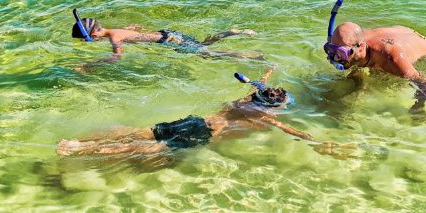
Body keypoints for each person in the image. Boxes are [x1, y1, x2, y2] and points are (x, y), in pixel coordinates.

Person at [57, 67, 342, 157]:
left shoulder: (244, 100)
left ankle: (81, 142)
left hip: (197, 120)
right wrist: (313, 140)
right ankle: (79, 150)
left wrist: (267, 73)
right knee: (145, 148)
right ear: (274, 106)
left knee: (141, 132)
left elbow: (261, 85)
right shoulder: (262, 116)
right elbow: (289, 130)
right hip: (204, 132)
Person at [71, 8, 264, 64]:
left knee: (208, 53)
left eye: (88, 38)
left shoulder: (114, 39)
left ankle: (250, 55)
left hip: (169, 40)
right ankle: (232, 32)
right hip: (167, 34)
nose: (90, 41)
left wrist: (92, 65)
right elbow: (134, 27)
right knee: (204, 44)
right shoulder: (114, 31)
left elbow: (117, 57)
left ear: (94, 33)